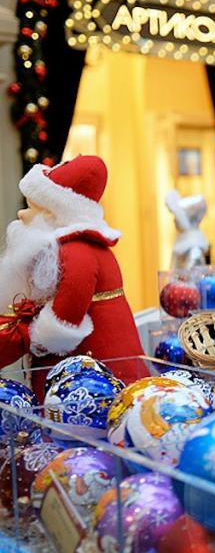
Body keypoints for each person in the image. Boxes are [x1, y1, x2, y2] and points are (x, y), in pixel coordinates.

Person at [0, 155, 148, 397]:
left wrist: (30, 337)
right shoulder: (70, 248)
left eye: (31, 208)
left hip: (97, 371)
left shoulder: (77, 251)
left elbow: (65, 317)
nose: (21, 214)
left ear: (55, 213)